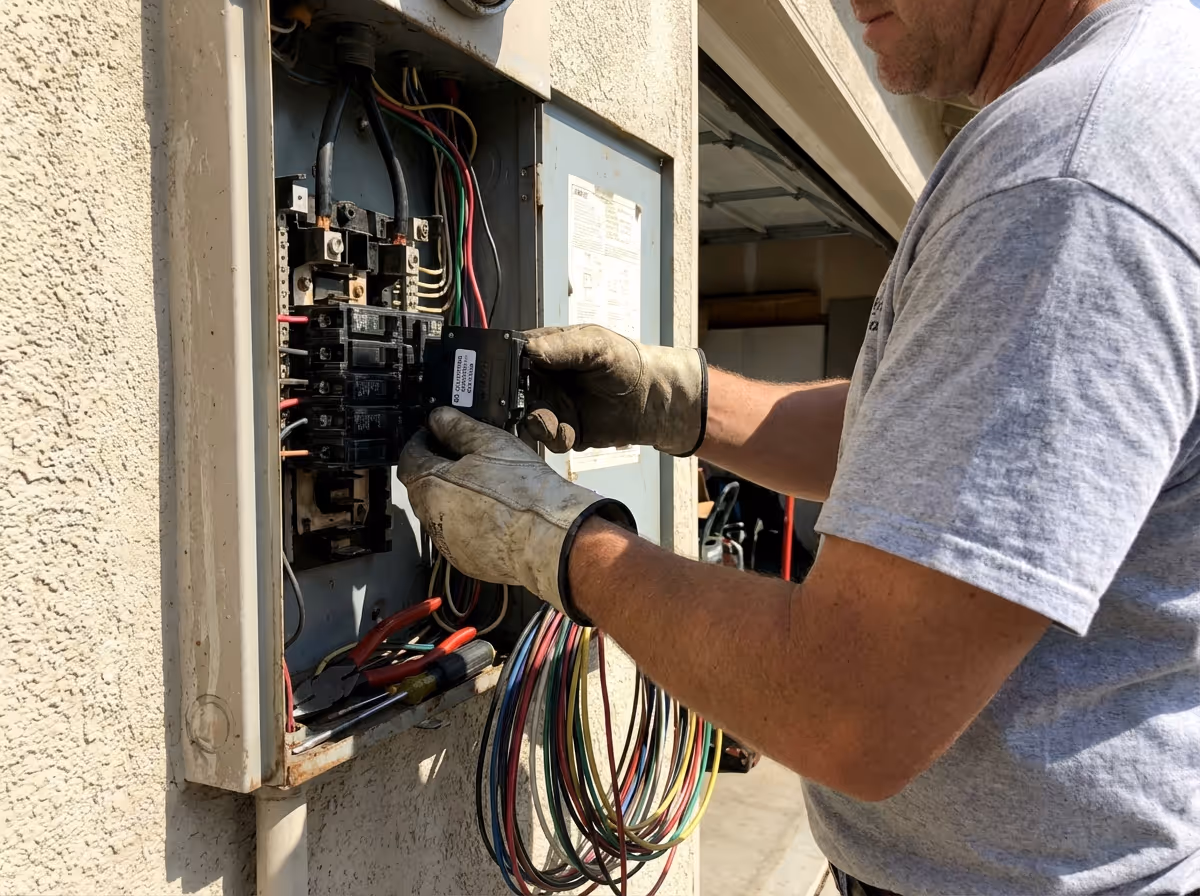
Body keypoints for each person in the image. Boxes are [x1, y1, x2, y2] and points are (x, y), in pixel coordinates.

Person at [399, 0, 1200, 892]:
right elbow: (931, 440)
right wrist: (677, 403)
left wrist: (555, 542)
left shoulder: (1066, 174)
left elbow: (850, 705)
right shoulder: (1142, 105)